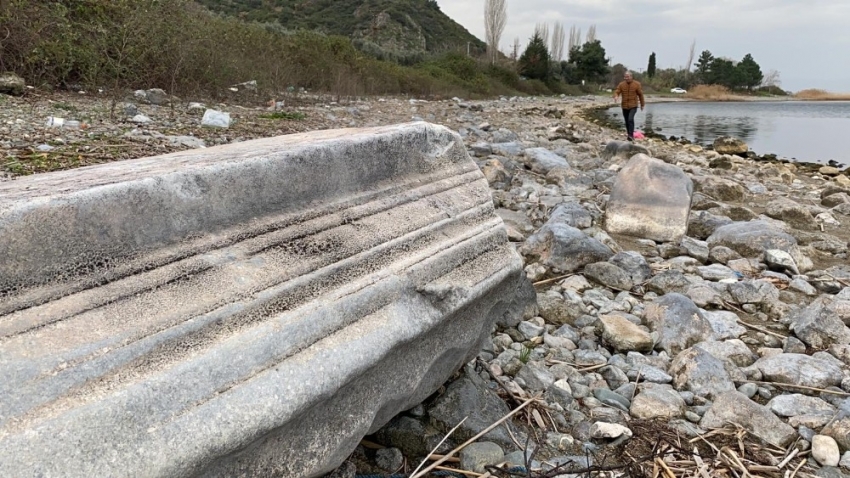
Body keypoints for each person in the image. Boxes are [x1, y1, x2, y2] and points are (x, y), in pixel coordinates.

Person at [613, 71, 645, 141]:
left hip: (633, 105)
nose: (626, 78)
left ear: (631, 77)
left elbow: (640, 95)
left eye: (627, 77)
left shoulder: (637, 84)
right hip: (624, 106)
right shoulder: (621, 84)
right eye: (625, 77)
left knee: (630, 119)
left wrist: (642, 104)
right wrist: (616, 96)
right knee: (627, 121)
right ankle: (629, 135)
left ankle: (631, 135)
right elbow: (617, 91)